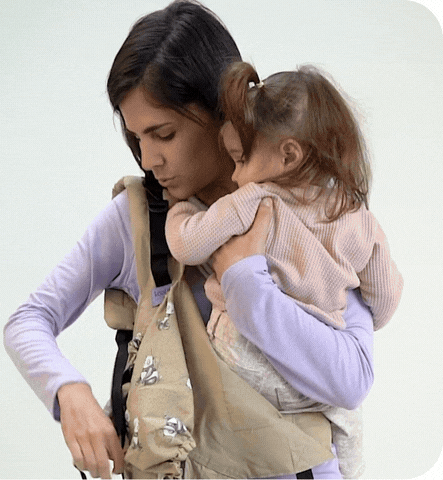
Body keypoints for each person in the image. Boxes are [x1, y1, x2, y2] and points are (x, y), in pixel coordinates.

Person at [4, 1, 375, 479]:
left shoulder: (311, 210)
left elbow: (351, 380)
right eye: (137, 137)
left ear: (222, 112)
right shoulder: (139, 220)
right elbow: (28, 320)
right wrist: (68, 391)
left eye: (164, 133)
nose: (148, 158)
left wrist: (245, 279)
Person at [165, 61, 404, 477]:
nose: (235, 175)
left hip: (244, 362)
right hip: (313, 380)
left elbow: (188, 244)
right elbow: (385, 299)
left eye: (240, 160)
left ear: (288, 155)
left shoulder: (257, 200)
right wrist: (342, 305)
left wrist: (181, 211)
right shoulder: (358, 217)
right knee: (343, 420)